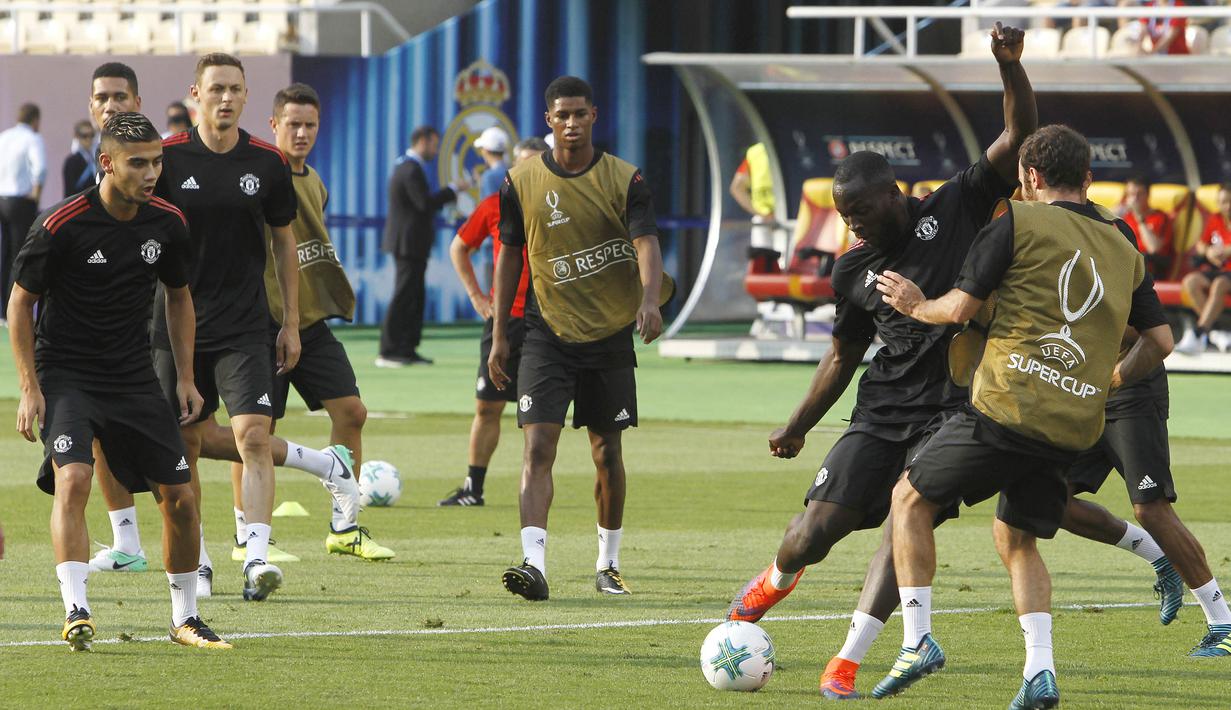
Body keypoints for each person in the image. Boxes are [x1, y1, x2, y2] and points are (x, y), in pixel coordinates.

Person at [724, 23, 1035, 700]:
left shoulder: (955, 204)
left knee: (904, 522)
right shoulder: (851, 269)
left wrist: (1009, 66)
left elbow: (1018, 137)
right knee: (812, 533)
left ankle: (847, 660)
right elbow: (842, 354)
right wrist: (798, 425)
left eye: (861, 211)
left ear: (894, 194)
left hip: (953, 413)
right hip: (881, 410)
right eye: (844, 215)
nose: (853, 225)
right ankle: (776, 579)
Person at [872, 124, 1174, 706]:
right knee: (1016, 537)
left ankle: (916, 641)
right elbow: (1160, 341)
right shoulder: (1122, 239)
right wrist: (1111, 380)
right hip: (1073, 424)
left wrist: (915, 303)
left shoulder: (1015, 219)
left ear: (1030, 176)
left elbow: (959, 308)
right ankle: (1039, 671)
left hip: (1007, 406)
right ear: (1086, 178)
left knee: (908, 499)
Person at [8, 112, 230, 650]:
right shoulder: (61, 224)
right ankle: (76, 609)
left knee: (180, 498)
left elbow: (179, 298)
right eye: (138, 163)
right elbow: (19, 304)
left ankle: (185, 619)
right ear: (107, 163)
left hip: (133, 377)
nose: (151, 173)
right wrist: (30, 387)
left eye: (157, 162)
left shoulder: (168, 223)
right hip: (67, 374)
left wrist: (185, 377)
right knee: (74, 479)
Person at [489, 75, 669, 600]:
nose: (571, 123)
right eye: (561, 115)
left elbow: (646, 243)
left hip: (609, 335)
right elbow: (509, 256)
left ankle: (608, 564)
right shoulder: (519, 181)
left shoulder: (625, 179)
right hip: (545, 334)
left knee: (606, 452)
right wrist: (499, 333)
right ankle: (534, 564)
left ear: (594, 116)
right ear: (548, 120)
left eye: (579, 114)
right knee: (537, 445)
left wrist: (649, 299)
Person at [197, 82, 392, 561]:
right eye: (293, 124)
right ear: (274, 125)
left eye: (310, 125)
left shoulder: (315, 181)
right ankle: (247, 536)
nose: (302, 133)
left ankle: (344, 528)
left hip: (306, 321)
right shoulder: (261, 173)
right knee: (253, 430)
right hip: (259, 323)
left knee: (352, 411)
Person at [152, 53, 304, 602]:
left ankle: (257, 559)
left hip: (244, 326)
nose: (225, 97)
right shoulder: (166, 158)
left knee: (253, 436)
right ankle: (199, 559)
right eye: (215, 88)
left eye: (235, 89)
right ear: (195, 93)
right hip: (176, 327)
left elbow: (284, 242)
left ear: (246, 96)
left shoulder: (267, 162)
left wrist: (290, 322)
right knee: (184, 445)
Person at [438, 136, 548, 507]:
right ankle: (473, 488)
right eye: (523, 164)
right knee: (487, 406)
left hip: (548, 323)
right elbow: (459, 247)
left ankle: (533, 492)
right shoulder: (494, 205)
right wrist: (476, 297)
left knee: (537, 414)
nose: (528, 171)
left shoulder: (559, 205)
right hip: (505, 321)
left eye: (536, 164)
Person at [377, 126, 467, 367]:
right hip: (407, 244)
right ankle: (389, 351)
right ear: (423, 141)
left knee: (414, 296)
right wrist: (452, 190)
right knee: (404, 295)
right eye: (434, 145)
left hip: (412, 244)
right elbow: (424, 204)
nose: (436, 151)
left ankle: (407, 349)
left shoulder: (408, 166)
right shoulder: (410, 169)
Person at [0, 103, 46, 315]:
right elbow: (40, 168)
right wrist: (36, 195)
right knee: (19, 255)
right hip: (20, 201)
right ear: (35, 120)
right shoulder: (33, 138)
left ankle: (2, 310)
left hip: (2, 199)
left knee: (4, 253)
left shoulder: (4, 136)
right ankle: (14, 309)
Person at [1176, 183, 1231, 354]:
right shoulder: (1215, 218)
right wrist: (1208, 252)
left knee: (1219, 284)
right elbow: (1201, 244)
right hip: (1217, 270)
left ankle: (1198, 333)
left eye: (1230, 201)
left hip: (1227, 275)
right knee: (1190, 281)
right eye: (1223, 202)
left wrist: (1225, 251)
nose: (1227, 206)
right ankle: (1215, 331)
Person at [1119, 173, 1174, 279]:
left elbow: (1153, 248)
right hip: (1128, 265)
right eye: (1131, 194)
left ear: (1148, 195)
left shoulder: (1160, 217)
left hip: (1153, 267)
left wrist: (1139, 218)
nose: (1135, 199)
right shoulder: (1125, 216)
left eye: (1139, 194)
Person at [729, 142, 774, 220]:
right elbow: (736, 188)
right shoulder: (754, 153)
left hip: (764, 219)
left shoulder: (755, 152)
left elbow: (737, 187)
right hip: (786, 214)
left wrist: (762, 214)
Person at [61, 121, 96, 197]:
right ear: (77, 136)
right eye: (85, 136)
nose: (89, 139)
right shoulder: (71, 161)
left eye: (92, 135)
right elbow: (69, 192)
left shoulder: (95, 159)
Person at [475, 126, 510, 200]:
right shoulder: (512, 171)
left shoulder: (489, 176)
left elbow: (490, 205)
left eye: (482, 148)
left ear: (486, 150)